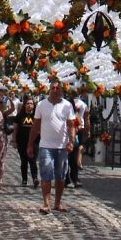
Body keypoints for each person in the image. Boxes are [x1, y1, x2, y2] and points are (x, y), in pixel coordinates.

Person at [28, 80, 76, 214]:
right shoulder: (41, 105)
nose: (55, 90)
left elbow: (71, 125)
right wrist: (30, 144)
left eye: (58, 88)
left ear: (61, 91)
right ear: (49, 90)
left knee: (60, 176)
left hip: (62, 146)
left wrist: (71, 141)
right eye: (53, 88)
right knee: (46, 174)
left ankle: (57, 203)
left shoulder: (67, 106)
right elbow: (36, 126)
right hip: (45, 146)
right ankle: (46, 203)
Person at [13, 95, 39, 188]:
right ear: (24, 105)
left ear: (34, 105)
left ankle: (35, 178)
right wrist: (14, 140)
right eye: (27, 103)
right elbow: (15, 129)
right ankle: (24, 180)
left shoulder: (37, 116)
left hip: (34, 142)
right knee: (24, 161)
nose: (29, 105)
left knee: (33, 160)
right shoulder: (20, 116)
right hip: (22, 142)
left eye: (31, 104)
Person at [68, 89, 90, 188]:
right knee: (74, 153)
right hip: (79, 129)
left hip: (70, 129)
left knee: (69, 154)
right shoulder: (83, 104)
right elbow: (86, 118)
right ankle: (74, 176)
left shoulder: (66, 102)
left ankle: (69, 177)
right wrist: (87, 130)